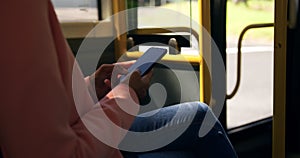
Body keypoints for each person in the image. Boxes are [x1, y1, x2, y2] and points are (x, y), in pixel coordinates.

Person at [0, 0, 237, 157]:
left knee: (198, 114)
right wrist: (126, 94)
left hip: (82, 128)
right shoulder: (17, 10)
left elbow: (44, 107)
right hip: (88, 142)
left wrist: (91, 87)